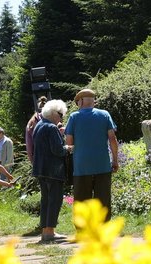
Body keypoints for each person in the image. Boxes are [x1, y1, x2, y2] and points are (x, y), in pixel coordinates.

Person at [65, 88, 119, 220]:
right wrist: (115, 160)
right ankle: (104, 229)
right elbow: (112, 139)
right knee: (103, 199)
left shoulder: (74, 117)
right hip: (102, 164)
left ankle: (83, 230)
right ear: (93, 101)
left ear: (81, 101)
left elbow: (69, 141)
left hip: (81, 166)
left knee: (82, 199)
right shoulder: (105, 115)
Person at [31, 99, 71, 243]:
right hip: (53, 171)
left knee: (46, 200)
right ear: (54, 113)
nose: (61, 118)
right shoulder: (52, 128)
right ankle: (50, 232)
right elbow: (58, 150)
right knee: (55, 200)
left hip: (41, 169)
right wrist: (68, 148)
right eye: (60, 114)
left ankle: (46, 231)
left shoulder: (39, 125)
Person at [25, 96, 47, 163]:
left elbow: (29, 144)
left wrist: (31, 159)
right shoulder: (52, 119)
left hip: (38, 157)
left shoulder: (31, 122)